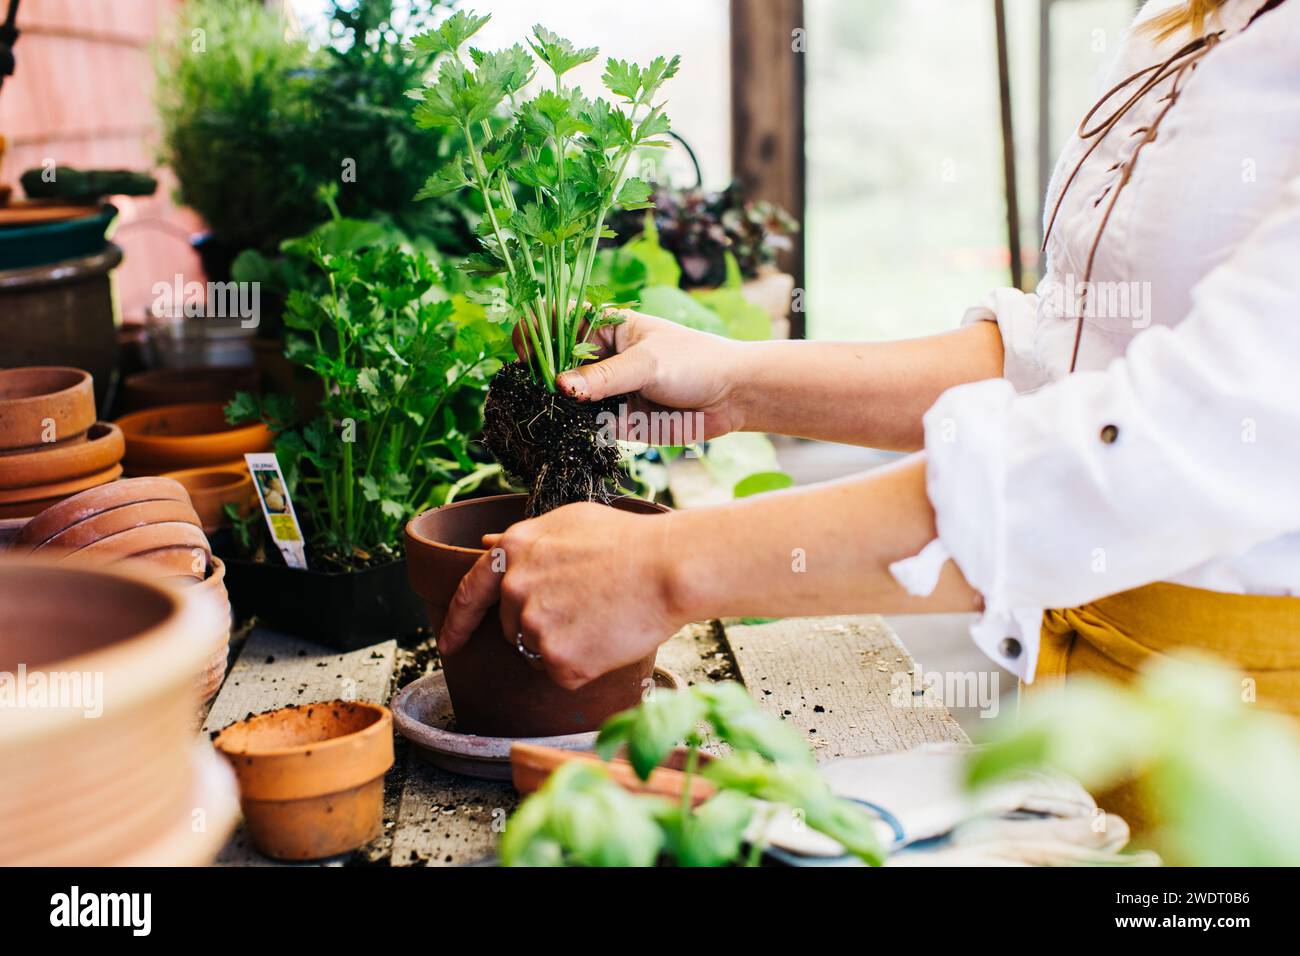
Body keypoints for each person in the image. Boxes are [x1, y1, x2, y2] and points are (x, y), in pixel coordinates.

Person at [441, 0, 1300, 720]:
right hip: (1083, 689)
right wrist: (740, 381)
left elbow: (1193, 437)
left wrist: (666, 566)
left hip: (1246, 724)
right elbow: (1072, 352)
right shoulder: (1184, 12)